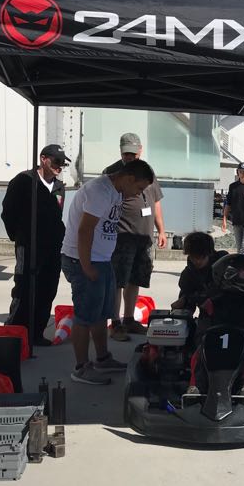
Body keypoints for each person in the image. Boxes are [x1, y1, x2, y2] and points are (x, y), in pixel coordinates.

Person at [61, 158, 154, 385]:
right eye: (139, 188)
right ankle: (81, 367)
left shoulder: (115, 191)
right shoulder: (99, 191)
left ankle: (102, 358)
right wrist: (86, 266)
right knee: (84, 316)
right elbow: (85, 230)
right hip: (84, 261)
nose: (139, 194)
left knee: (103, 313)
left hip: (101, 260)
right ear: (129, 178)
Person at [1, 144, 67, 346]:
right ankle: (14, 332)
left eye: (62, 164)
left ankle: (36, 332)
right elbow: (8, 212)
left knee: (47, 289)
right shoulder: (24, 181)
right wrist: (20, 236)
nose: (59, 167)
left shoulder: (58, 187)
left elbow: (57, 214)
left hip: (52, 247)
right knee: (25, 288)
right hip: (29, 245)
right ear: (43, 159)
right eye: (56, 162)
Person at [104, 133, 167, 342]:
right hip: (122, 235)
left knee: (136, 278)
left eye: (133, 152)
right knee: (118, 279)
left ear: (140, 150)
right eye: (126, 153)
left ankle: (129, 319)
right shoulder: (112, 172)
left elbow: (156, 201)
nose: (129, 156)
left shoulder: (147, 171)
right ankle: (116, 322)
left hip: (144, 235)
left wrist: (162, 229)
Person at [189, 253, 244, 397]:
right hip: (214, 354)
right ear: (229, 275)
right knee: (199, 353)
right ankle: (196, 390)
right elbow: (200, 337)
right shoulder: (210, 305)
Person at [171, 232, 227, 315]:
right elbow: (187, 306)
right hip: (209, 317)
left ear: (209, 253)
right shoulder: (187, 276)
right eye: (194, 256)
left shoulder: (224, 262)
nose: (198, 261)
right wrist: (181, 307)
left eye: (202, 256)